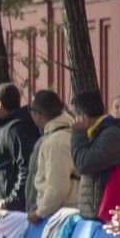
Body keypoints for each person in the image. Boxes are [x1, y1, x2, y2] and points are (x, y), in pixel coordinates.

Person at [69, 90, 120, 221]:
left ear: (83, 116)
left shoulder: (111, 134)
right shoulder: (95, 132)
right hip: (94, 212)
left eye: (74, 115)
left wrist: (78, 133)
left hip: (103, 214)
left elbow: (83, 164)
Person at [24, 90, 78, 224]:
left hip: (63, 216)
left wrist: (40, 212)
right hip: (62, 212)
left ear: (37, 114)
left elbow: (57, 189)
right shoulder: (65, 134)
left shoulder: (56, 142)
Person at [0, 83, 40, 212]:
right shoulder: (7, 128)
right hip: (3, 206)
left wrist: (10, 201)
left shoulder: (14, 130)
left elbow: (26, 168)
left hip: (14, 211)